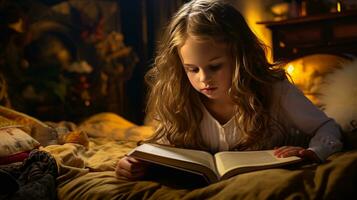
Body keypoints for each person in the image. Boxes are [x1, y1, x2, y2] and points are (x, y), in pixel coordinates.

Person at [115, 0, 343, 180]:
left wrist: (314, 151)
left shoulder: (275, 90)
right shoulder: (181, 98)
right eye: (192, 69)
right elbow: (162, 147)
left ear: (240, 57)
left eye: (215, 66)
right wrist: (134, 162)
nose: (204, 79)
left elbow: (327, 126)